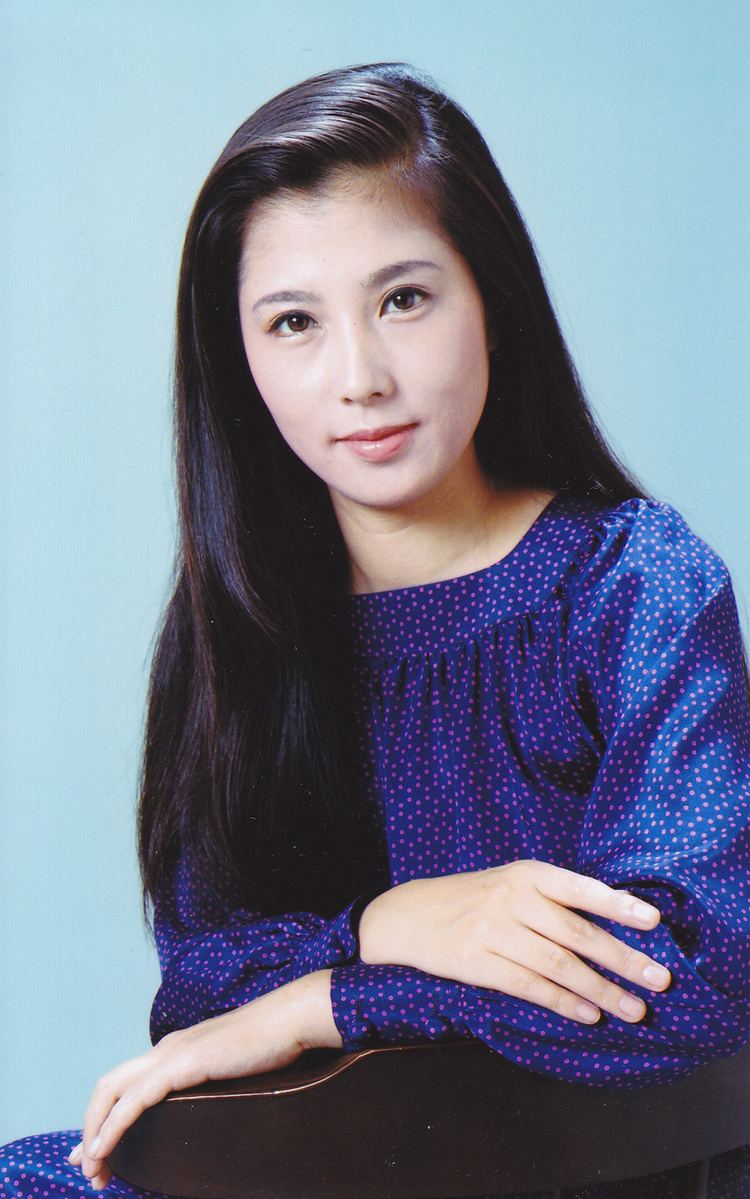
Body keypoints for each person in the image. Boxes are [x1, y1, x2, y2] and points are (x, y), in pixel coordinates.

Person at [1, 62, 749, 1199]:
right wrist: (403, 921)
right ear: (239, 361)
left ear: (490, 293)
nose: (361, 377)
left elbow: (696, 979)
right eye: (293, 322)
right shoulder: (236, 620)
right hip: (305, 1164)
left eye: (405, 297)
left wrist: (328, 993)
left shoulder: (632, 581)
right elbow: (203, 992)